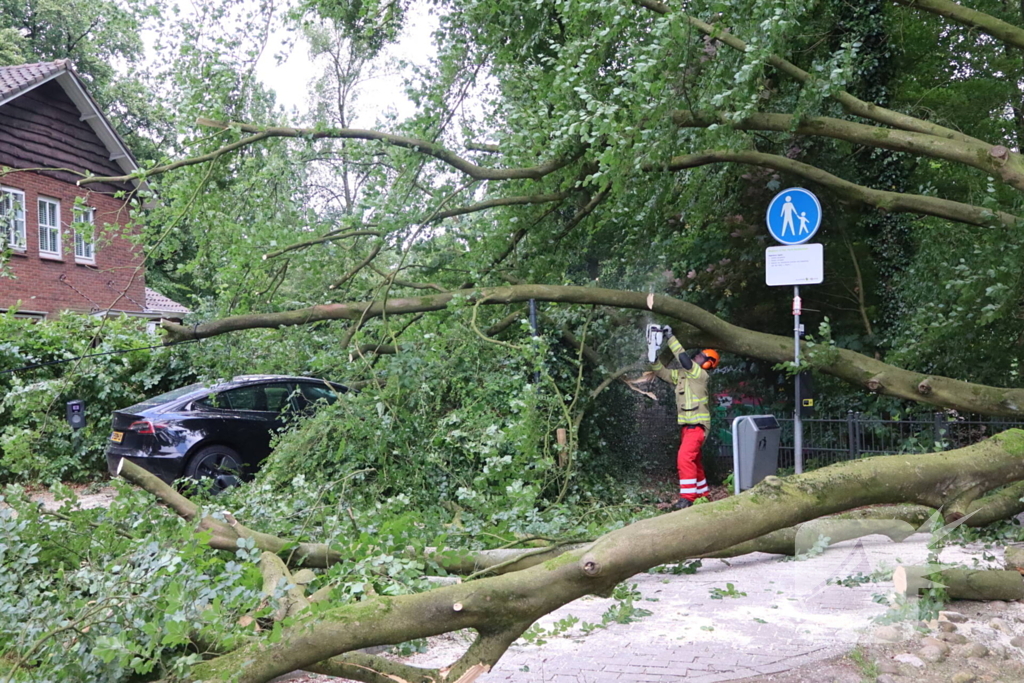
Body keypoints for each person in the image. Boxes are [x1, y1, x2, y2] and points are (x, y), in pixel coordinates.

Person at [649, 328, 720, 510]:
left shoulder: (700, 375)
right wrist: (653, 357)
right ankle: (703, 495)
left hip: (697, 426)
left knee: (684, 459)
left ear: (708, 364)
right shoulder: (682, 375)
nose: (696, 357)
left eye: (701, 357)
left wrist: (670, 337)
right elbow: (662, 373)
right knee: (694, 461)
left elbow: (683, 359)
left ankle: (687, 498)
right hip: (687, 427)